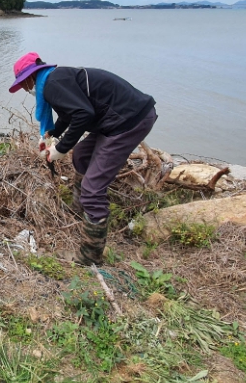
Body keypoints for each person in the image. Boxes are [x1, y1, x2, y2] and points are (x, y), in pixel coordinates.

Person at [9, 52, 157, 266]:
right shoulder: (54, 79)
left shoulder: (52, 85)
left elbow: (83, 114)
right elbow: (70, 113)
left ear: (31, 76)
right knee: (81, 155)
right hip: (118, 118)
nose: (24, 89)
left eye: (23, 83)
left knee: (92, 189)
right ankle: (80, 209)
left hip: (128, 121)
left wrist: (61, 149)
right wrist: (53, 133)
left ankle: (90, 256)